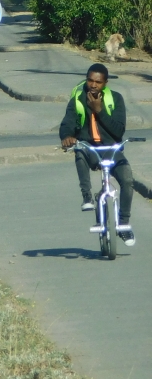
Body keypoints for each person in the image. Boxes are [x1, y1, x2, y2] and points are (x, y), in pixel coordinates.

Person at [60, 63, 134, 244]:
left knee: (128, 181)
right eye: (90, 80)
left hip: (111, 149)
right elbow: (67, 123)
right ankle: (87, 197)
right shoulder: (77, 100)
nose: (93, 85)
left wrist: (99, 110)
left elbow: (118, 131)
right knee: (80, 152)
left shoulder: (115, 99)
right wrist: (67, 137)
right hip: (90, 148)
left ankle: (123, 225)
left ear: (105, 83)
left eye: (98, 82)